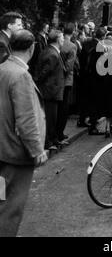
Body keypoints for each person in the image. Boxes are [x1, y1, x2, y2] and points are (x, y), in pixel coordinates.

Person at [0, 30, 48, 237]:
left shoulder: (3, 68)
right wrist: (37, 150)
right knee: (11, 208)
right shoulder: (21, 76)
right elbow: (26, 119)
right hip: (16, 154)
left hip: (2, 147)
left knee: (2, 201)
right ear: (32, 48)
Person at [35, 30, 66, 150]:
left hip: (52, 91)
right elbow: (43, 73)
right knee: (49, 118)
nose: (63, 40)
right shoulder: (52, 54)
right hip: (50, 92)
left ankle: (52, 140)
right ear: (58, 40)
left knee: (52, 118)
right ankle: (47, 142)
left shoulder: (51, 51)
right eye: (62, 38)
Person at [57, 23, 77, 142]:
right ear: (73, 32)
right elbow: (69, 66)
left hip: (56, 79)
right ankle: (60, 132)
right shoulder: (72, 46)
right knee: (64, 108)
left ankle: (55, 132)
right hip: (67, 80)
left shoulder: (58, 43)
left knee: (56, 107)